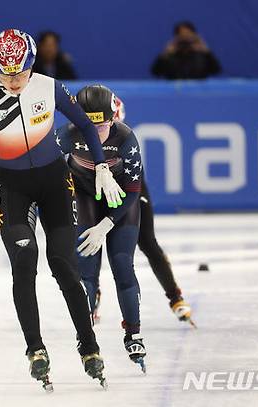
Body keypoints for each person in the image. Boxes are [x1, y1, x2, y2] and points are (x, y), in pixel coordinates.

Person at [0, 29, 126, 390]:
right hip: (12, 187)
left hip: (53, 184)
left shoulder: (48, 86)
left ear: (30, 65)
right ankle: (35, 347)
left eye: (19, 73)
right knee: (24, 257)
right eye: (5, 74)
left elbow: (84, 125)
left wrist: (102, 166)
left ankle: (89, 346)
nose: (13, 81)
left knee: (64, 266)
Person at [55, 84, 147, 373]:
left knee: (122, 264)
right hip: (83, 194)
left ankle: (133, 331)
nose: (97, 132)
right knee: (85, 270)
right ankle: (87, 332)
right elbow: (47, 175)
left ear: (114, 118)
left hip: (120, 197)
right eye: (89, 126)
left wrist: (107, 223)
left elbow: (133, 191)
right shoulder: (67, 136)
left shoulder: (125, 138)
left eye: (104, 124)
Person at [105, 96, 195, 327]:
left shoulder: (126, 139)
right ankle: (91, 298)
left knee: (147, 242)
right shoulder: (79, 139)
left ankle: (175, 297)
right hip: (97, 194)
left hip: (130, 191)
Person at [151, 21, 221, 80]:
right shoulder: (169, 55)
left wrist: (207, 52)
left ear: (194, 36)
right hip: (174, 93)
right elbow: (156, 72)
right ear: (176, 37)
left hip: (198, 93)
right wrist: (164, 54)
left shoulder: (202, 54)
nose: (185, 38)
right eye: (182, 35)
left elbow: (216, 71)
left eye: (188, 35)